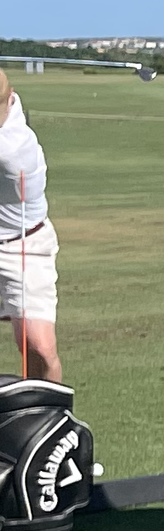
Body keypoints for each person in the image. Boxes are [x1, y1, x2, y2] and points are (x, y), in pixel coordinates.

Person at [0, 66, 63, 382]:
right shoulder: (8, 100)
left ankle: (51, 423)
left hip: (23, 246)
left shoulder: (14, 151)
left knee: (38, 345)